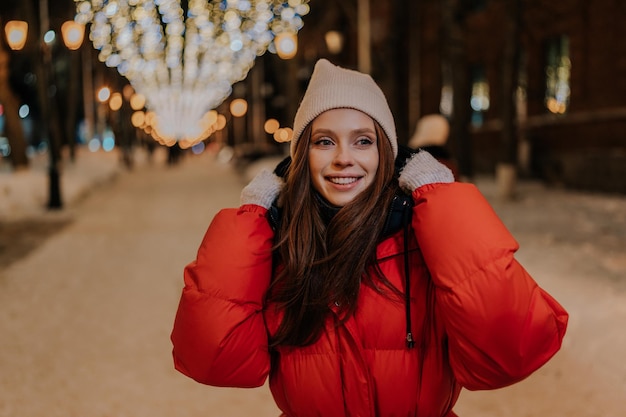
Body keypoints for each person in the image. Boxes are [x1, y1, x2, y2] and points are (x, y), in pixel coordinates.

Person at [171, 59, 568, 417]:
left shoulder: (426, 238)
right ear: (301, 157)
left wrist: (441, 197)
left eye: (363, 140)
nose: (344, 157)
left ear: (387, 154)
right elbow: (214, 360)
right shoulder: (281, 242)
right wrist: (254, 216)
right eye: (324, 141)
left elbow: (509, 354)